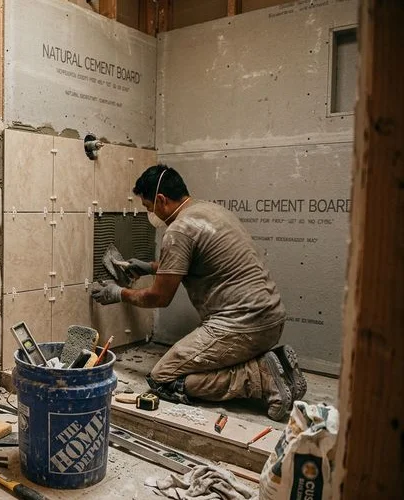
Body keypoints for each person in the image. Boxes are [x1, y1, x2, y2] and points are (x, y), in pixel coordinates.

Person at [90, 164, 306, 421]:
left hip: (241, 325)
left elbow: (159, 298)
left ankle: (257, 377)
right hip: (270, 319)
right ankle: (277, 365)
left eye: (149, 207)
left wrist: (118, 293)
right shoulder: (211, 211)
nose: (151, 215)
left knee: (162, 379)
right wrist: (148, 267)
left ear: (161, 199)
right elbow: (193, 263)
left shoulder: (179, 229)